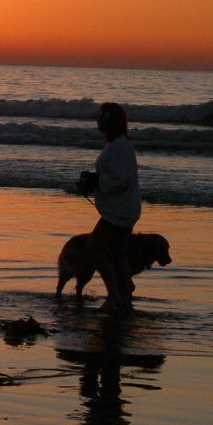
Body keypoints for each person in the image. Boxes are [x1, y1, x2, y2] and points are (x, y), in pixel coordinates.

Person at [79, 102, 141, 312]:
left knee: (93, 250)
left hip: (119, 212)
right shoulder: (116, 144)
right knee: (116, 255)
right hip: (122, 209)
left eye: (101, 116)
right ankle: (124, 293)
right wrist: (94, 182)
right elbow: (116, 177)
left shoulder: (120, 146)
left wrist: (97, 181)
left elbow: (121, 179)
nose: (97, 119)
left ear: (109, 121)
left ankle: (114, 297)